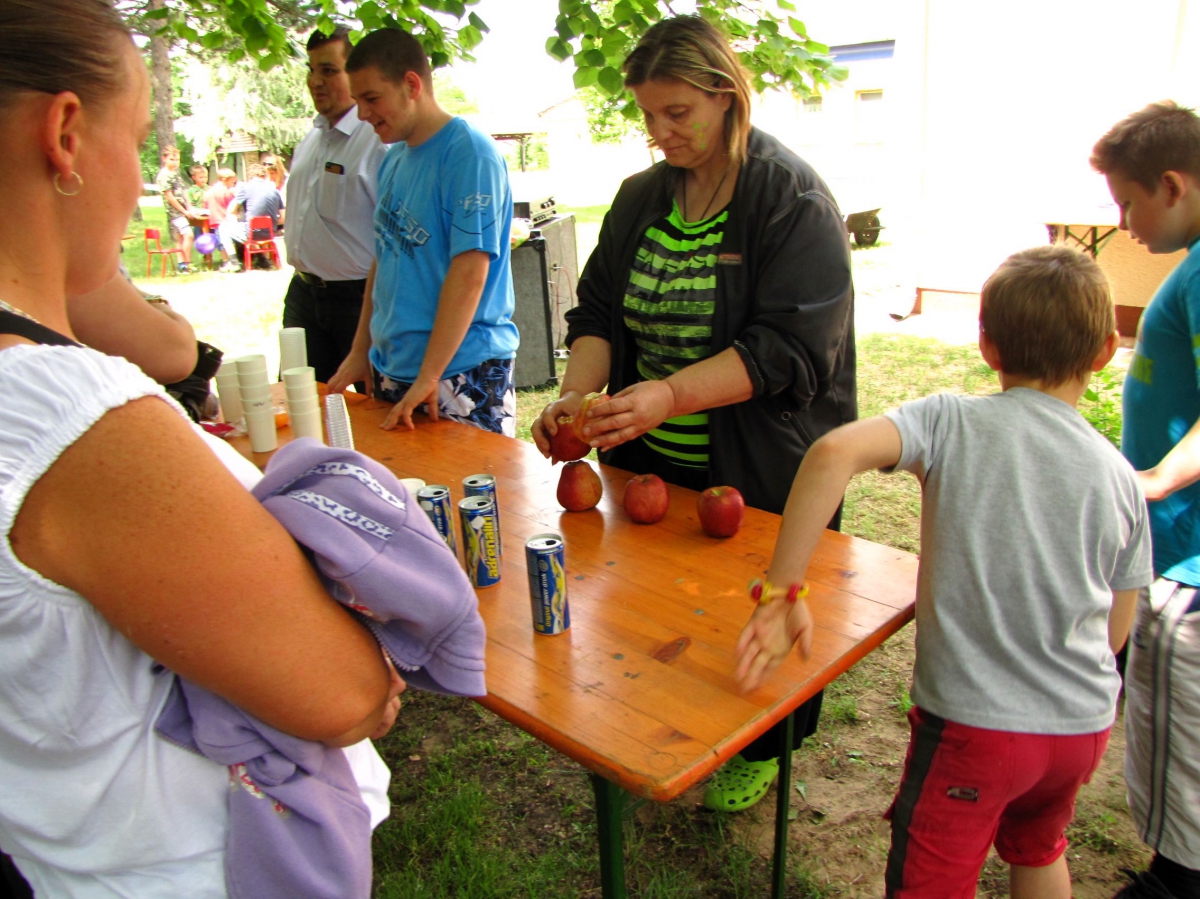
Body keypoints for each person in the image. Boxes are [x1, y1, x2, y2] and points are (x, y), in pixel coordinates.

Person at [0, 2, 403, 895]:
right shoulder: (63, 414)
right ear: (66, 135)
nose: (138, 176)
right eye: (138, 135)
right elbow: (344, 691)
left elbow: (166, 348)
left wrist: (68, 270)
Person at [736, 245, 1151, 899]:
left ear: (987, 344)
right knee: (1039, 850)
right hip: (1081, 727)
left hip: (976, 730)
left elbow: (832, 451)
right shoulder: (1122, 477)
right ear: (1105, 351)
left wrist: (783, 590)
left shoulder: (951, 420)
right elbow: (1116, 634)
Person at [530, 14, 856, 811]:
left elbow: (788, 349)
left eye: (677, 112)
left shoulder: (791, 199)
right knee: (659, 613)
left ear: (725, 95)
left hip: (760, 462)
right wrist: (576, 394)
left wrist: (670, 394)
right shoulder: (641, 197)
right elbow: (598, 312)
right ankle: (665, 722)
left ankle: (766, 742)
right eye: (648, 115)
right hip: (651, 464)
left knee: (756, 606)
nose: (659, 132)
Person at [1091, 101, 1200, 899]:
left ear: (1172, 185)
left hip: (1183, 558)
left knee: (1173, 728)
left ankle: (1175, 880)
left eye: (1129, 202)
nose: (1123, 222)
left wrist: (1154, 479)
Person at [327, 27, 520, 435]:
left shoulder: (470, 154)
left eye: (372, 98)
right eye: (357, 100)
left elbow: (470, 274)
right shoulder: (394, 157)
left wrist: (430, 375)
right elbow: (383, 258)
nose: (362, 114)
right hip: (395, 367)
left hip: (459, 371)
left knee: (469, 478)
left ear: (412, 85)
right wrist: (361, 348)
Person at [282, 24, 386, 386]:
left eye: (328, 70)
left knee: (369, 410)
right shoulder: (311, 139)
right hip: (303, 295)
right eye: (311, 70)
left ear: (355, 75)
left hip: (358, 303)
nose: (315, 81)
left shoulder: (377, 141)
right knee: (300, 402)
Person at [217, 162, 283, 272]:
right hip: (270, 232)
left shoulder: (246, 188)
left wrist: (238, 215)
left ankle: (234, 262)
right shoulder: (275, 190)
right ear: (264, 175)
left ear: (250, 176)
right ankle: (262, 260)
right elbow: (283, 217)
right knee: (251, 228)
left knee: (223, 227)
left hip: (252, 232)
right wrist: (269, 223)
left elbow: (231, 210)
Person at [154, 144, 194, 273]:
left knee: (180, 238)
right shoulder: (163, 175)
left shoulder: (175, 173)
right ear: (164, 158)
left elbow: (183, 191)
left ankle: (182, 264)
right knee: (188, 234)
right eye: (172, 159)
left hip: (183, 209)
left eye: (177, 159)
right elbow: (169, 197)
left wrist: (189, 206)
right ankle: (186, 263)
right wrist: (184, 211)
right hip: (175, 212)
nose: (175, 162)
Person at [185, 163, 210, 239]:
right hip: (198, 214)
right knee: (199, 232)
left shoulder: (209, 188)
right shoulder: (191, 191)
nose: (203, 179)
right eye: (201, 177)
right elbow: (190, 204)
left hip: (208, 214)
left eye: (205, 177)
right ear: (194, 177)